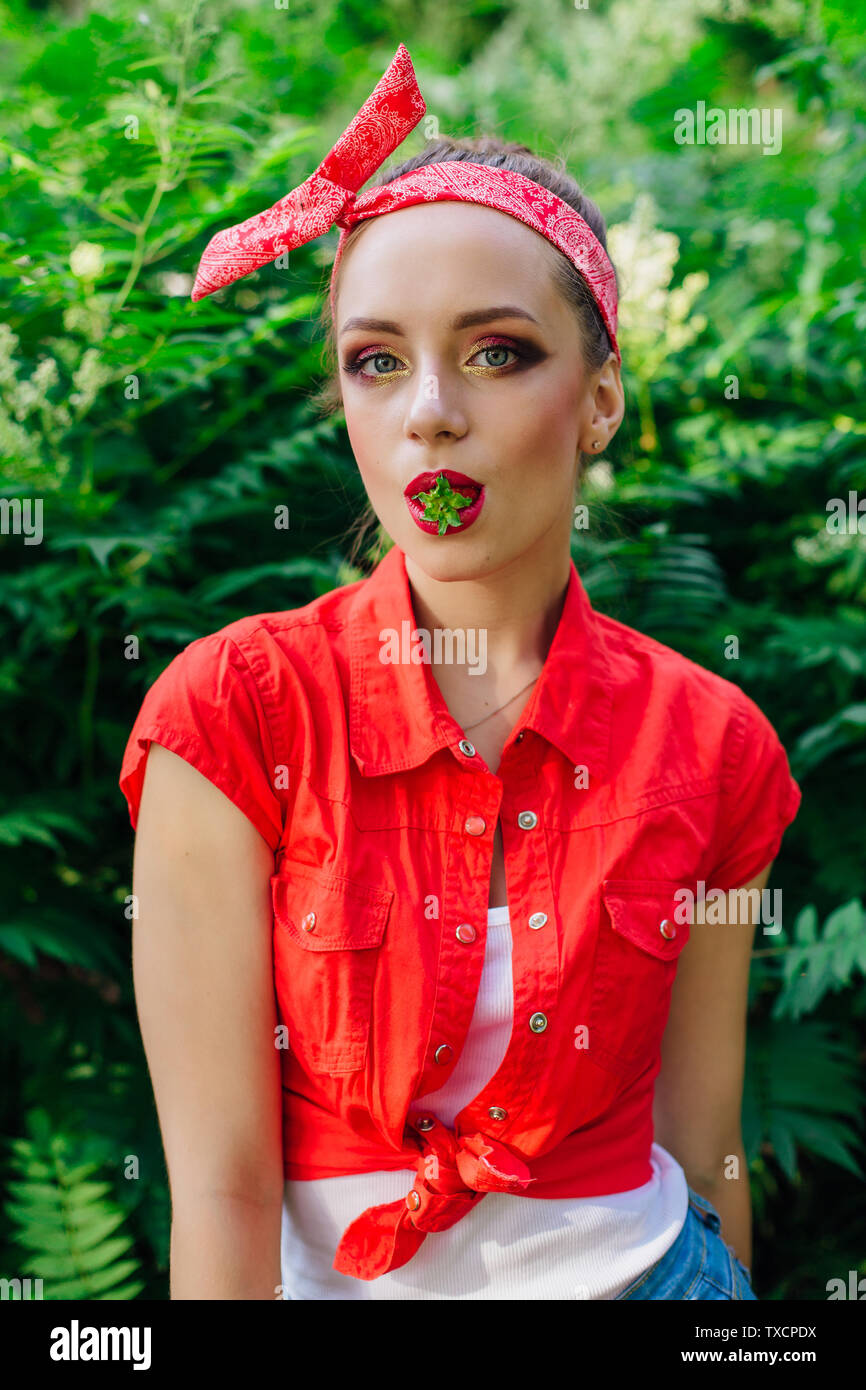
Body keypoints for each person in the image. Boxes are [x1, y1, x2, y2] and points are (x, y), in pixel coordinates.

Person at [119, 45, 801, 1300]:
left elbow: (701, 1146)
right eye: (377, 362)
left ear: (597, 399)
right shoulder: (230, 716)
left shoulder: (714, 745)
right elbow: (219, 1190)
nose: (429, 411)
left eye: (495, 352)